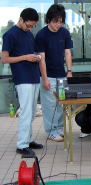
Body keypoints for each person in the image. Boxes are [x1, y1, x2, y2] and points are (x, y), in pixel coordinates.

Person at [1, 8, 43, 157]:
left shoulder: (29, 34)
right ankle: (22, 145)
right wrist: (25, 57)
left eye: (32, 26)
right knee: (26, 112)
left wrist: (36, 57)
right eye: (28, 25)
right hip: (22, 77)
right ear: (21, 19)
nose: (30, 28)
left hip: (33, 76)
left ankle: (28, 139)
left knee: (31, 112)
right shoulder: (9, 35)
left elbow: (31, 53)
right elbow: (4, 58)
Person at [35, 4, 73, 142]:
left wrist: (69, 71)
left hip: (62, 75)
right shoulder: (41, 35)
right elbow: (41, 59)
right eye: (56, 21)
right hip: (48, 75)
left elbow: (68, 53)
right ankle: (51, 131)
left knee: (61, 103)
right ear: (49, 19)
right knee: (49, 105)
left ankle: (59, 128)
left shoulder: (64, 32)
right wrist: (44, 79)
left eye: (61, 21)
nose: (59, 24)